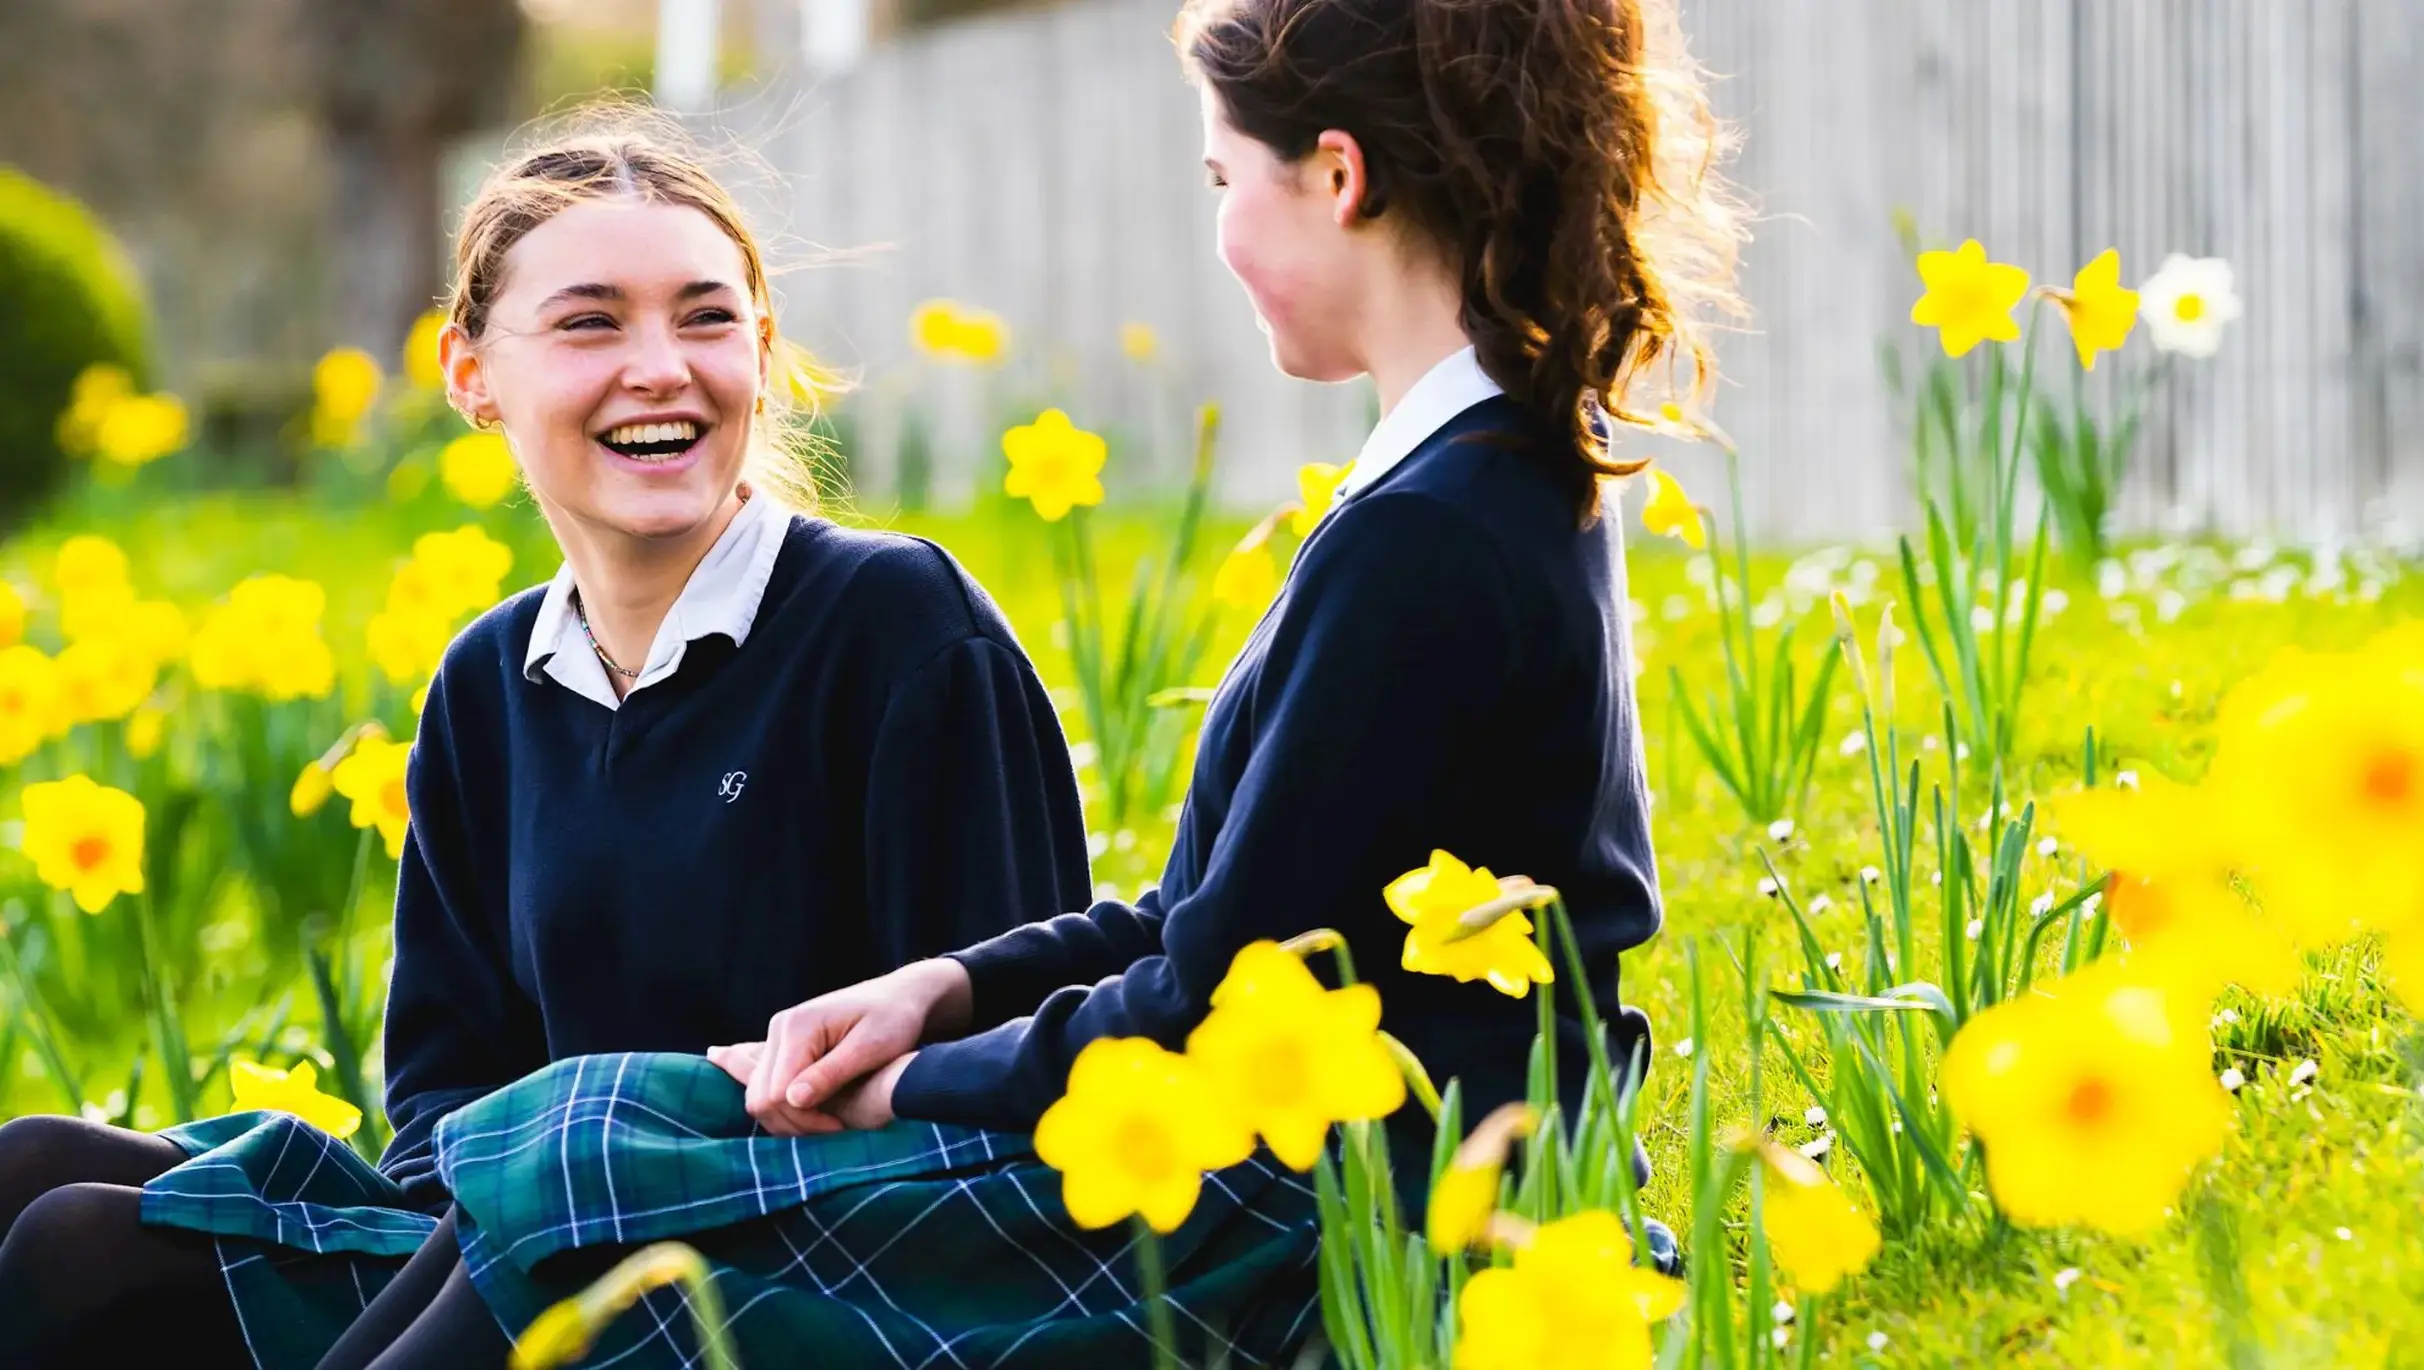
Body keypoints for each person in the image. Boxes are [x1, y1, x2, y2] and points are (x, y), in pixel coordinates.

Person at [344, 0, 1747, 1361]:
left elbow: (1209, 997)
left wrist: (904, 1080)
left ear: (1336, 176)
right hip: (1309, 1176)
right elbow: (1220, 923)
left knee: (594, 1170)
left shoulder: (1435, 533)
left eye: (1220, 177)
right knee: (540, 1161)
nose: (1221, 230)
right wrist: (941, 990)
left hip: (1336, 1225)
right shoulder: (1457, 494)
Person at [0, 119, 1092, 1370]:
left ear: (764, 352)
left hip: (800, 1269)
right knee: (40, 1188)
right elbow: (441, 1095)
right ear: (471, 373)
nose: (659, 368)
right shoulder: (486, 682)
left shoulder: (898, 628)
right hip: (519, 1237)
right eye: (590, 323)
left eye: (705, 318)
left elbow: (1000, 1087)